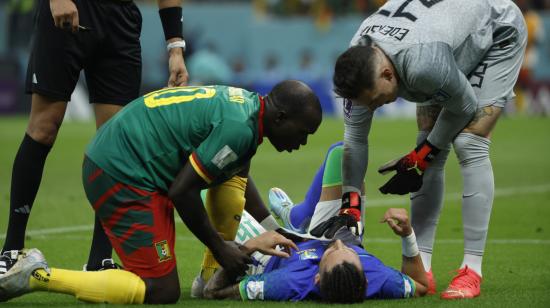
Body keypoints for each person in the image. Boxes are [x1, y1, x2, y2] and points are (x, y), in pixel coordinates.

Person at [0, 81, 322, 304]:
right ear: (281, 117)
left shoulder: (249, 110)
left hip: (127, 163)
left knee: (232, 176)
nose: (302, 142)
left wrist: (270, 228)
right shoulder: (239, 128)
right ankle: (35, 275)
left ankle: (206, 280)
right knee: (161, 289)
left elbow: (236, 170)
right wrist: (221, 248)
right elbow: (182, 192)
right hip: (121, 172)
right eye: (303, 132)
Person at [313, 0, 527, 299]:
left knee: (469, 143)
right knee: (427, 146)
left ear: (388, 75)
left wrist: (420, 157)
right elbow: (355, 139)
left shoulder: (424, 65)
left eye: (375, 100)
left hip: (495, 30)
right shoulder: (359, 66)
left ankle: (471, 271)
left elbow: (463, 105)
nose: (373, 107)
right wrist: (351, 205)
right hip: (441, 39)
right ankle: (422, 266)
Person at [1, 0, 189, 275]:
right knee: (44, 127)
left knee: (115, 142)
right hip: (72, 7)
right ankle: (11, 251)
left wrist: (175, 47)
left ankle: (99, 260)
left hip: (121, 19)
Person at [201, 142, 427, 303]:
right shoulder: (379, 278)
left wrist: (248, 247)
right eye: (351, 252)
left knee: (213, 186)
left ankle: (288, 227)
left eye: (330, 254)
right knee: (344, 153)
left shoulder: (287, 283)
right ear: (366, 279)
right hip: (323, 232)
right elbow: (422, 286)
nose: (336, 244)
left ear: (317, 279)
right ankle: (297, 219)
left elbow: (214, 293)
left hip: (268, 254)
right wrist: (407, 235)